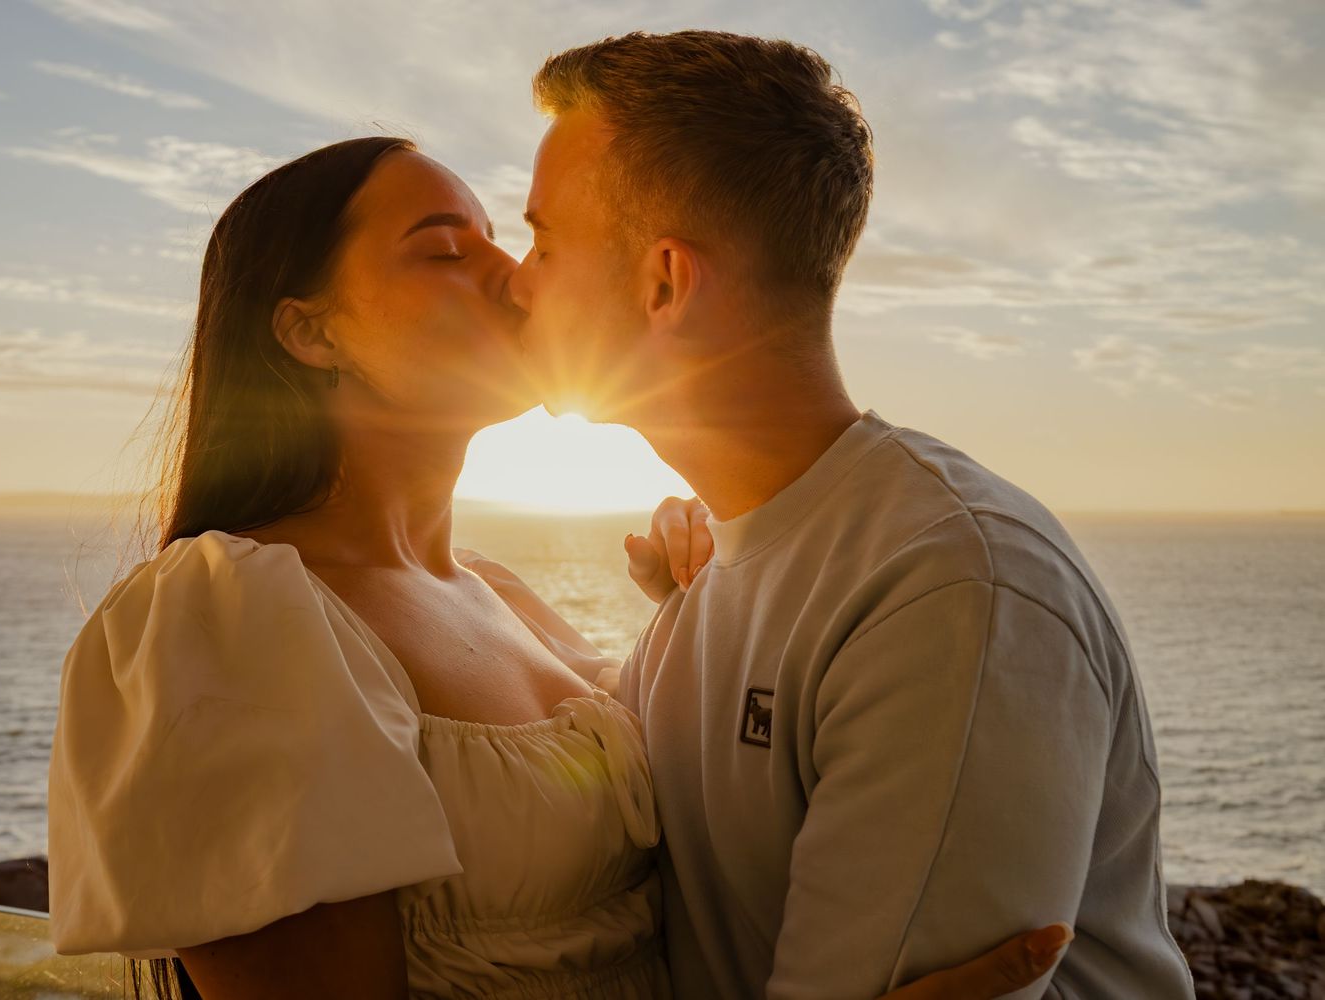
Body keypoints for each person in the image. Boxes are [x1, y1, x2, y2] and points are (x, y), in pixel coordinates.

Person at [46, 137, 1069, 999]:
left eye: (509, 240)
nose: (516, 276)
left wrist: (706, 614)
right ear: (311, 331)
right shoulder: (233, 617)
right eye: (449, 250)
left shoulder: (502, 595)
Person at [507, 29, 1197, 1000]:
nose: (514, 279)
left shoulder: (949, 587)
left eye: (542, 243)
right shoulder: (710, 587)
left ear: (663, 281)